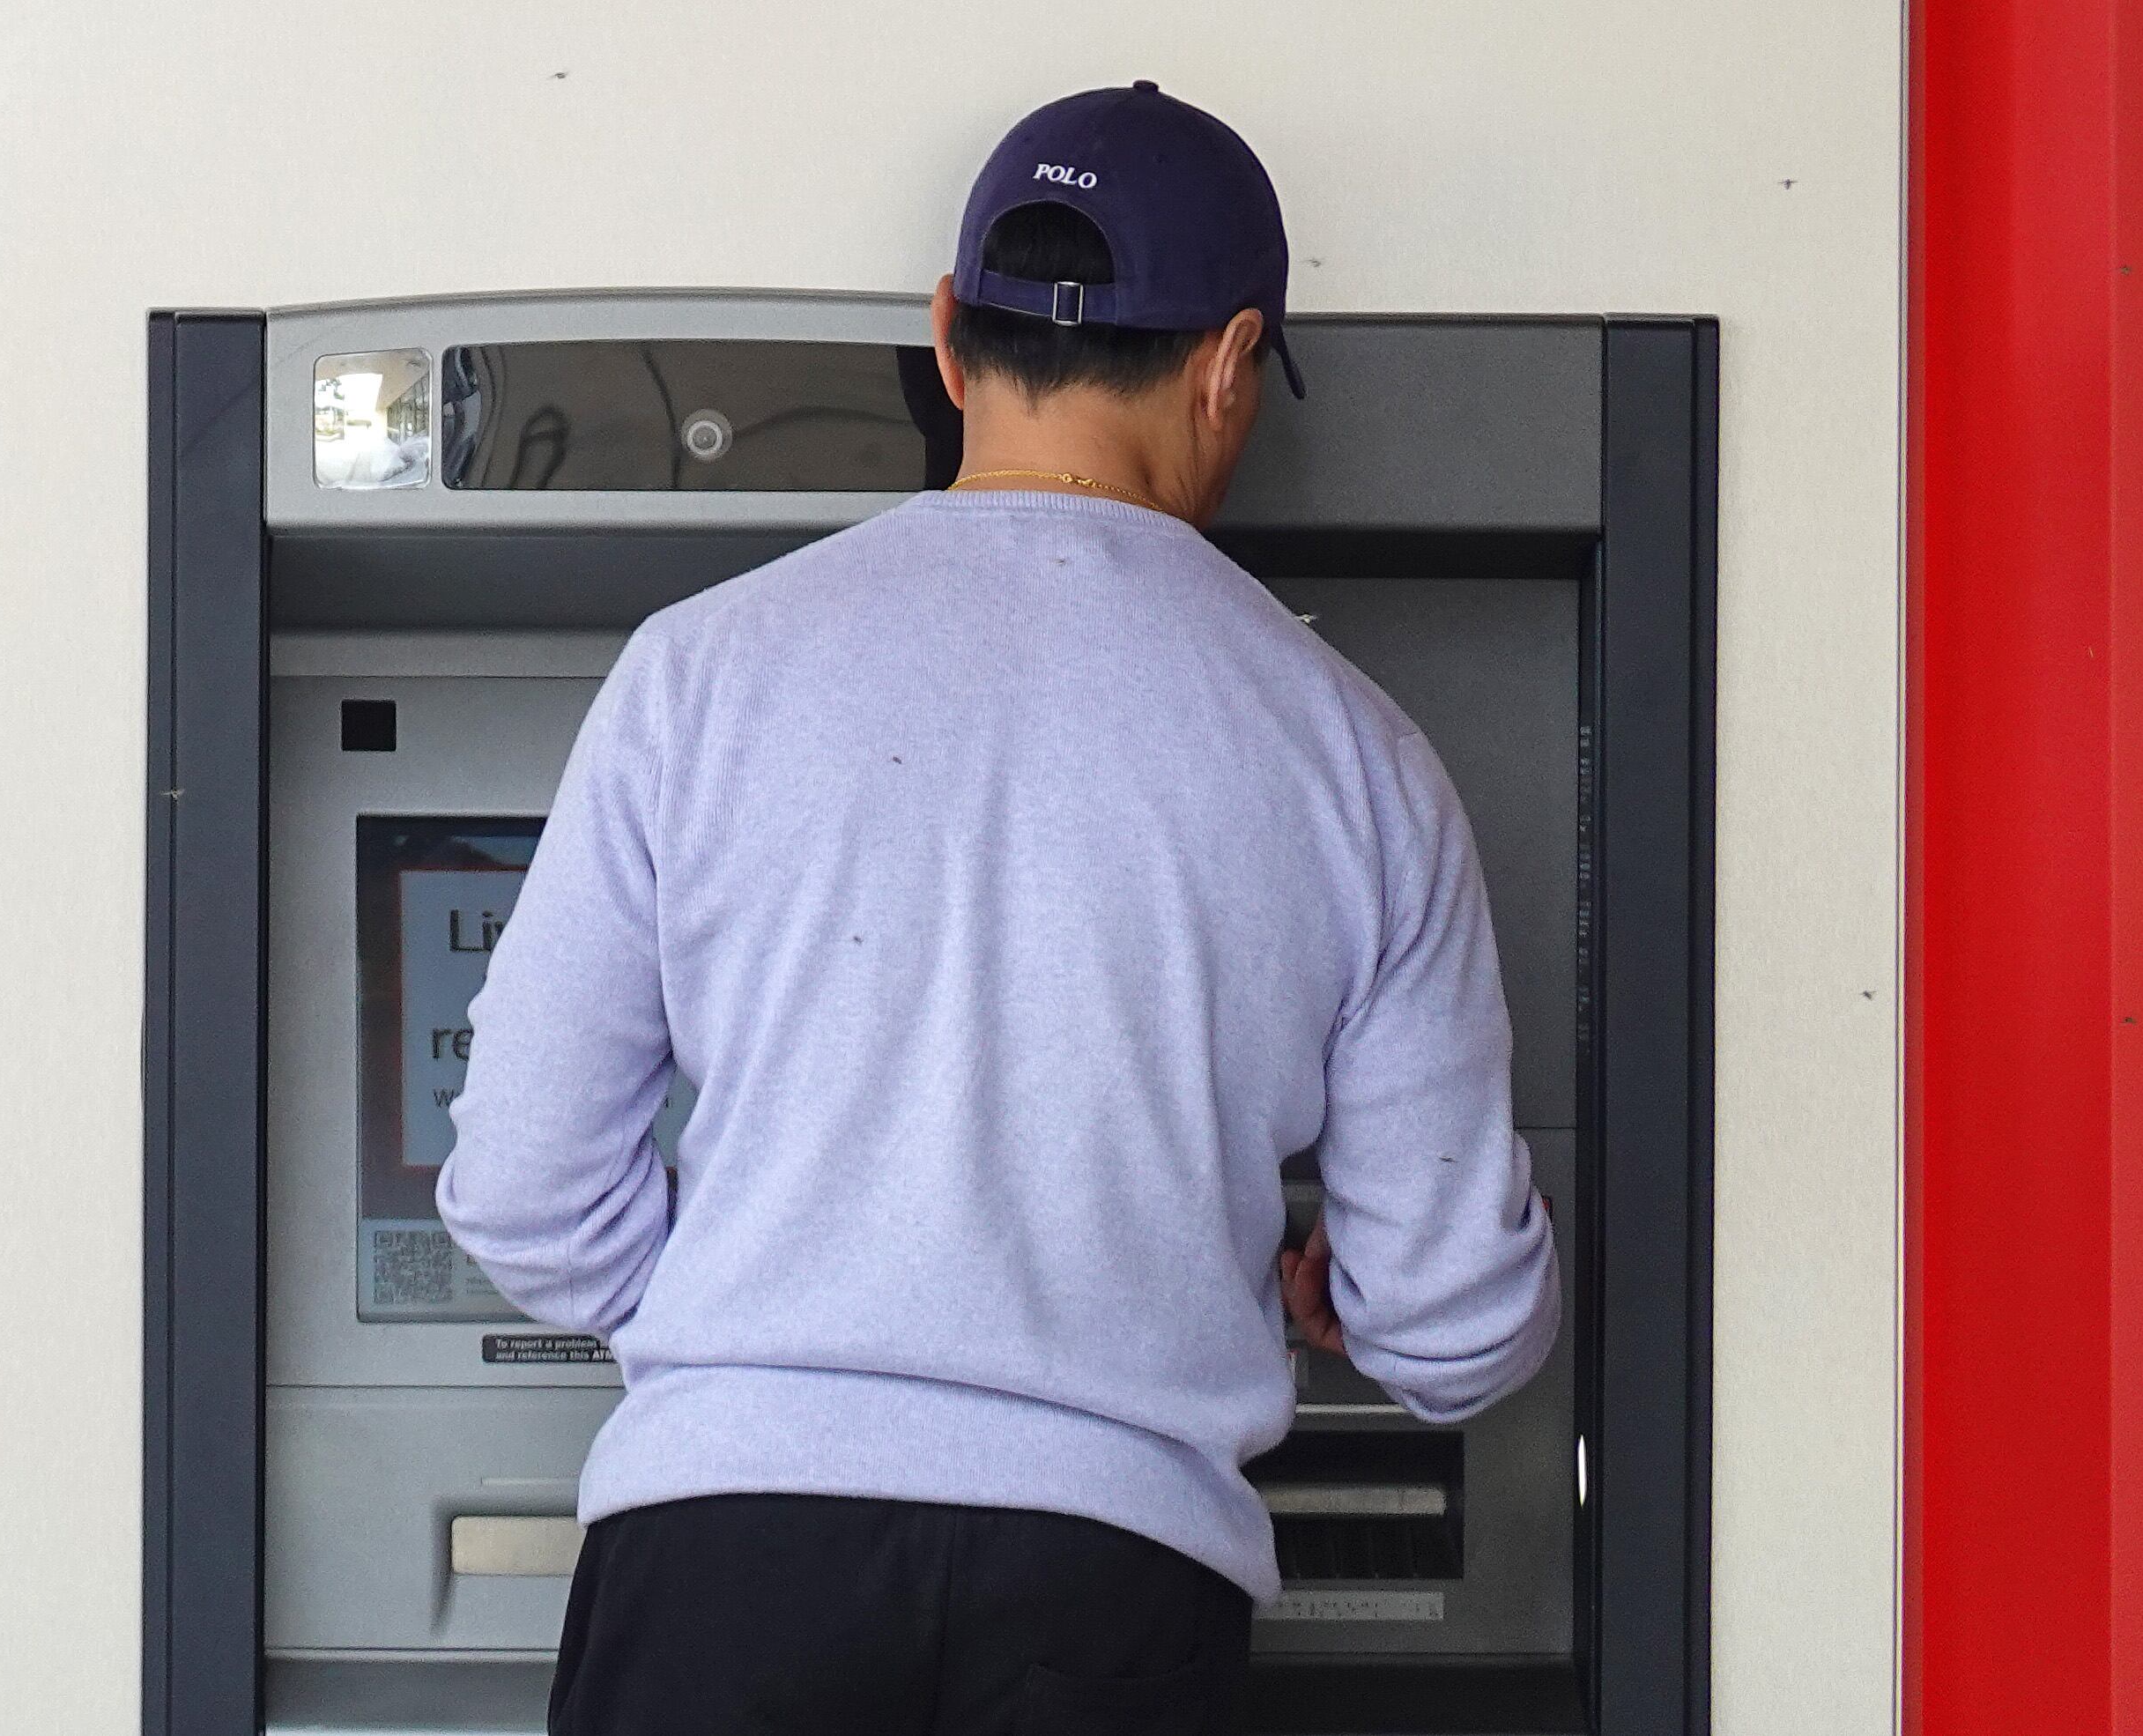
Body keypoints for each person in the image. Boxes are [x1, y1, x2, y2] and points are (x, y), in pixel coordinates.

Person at [435, 84, 1557, 1736]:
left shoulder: (706, 670)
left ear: (950, 334)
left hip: (715, 1570)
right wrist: (1351, 1293)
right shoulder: (1358, 757)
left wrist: (762, 1323)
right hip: (1109, 1602)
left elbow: (523, 1189)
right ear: (1233, 359)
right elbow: (1459, 1328)